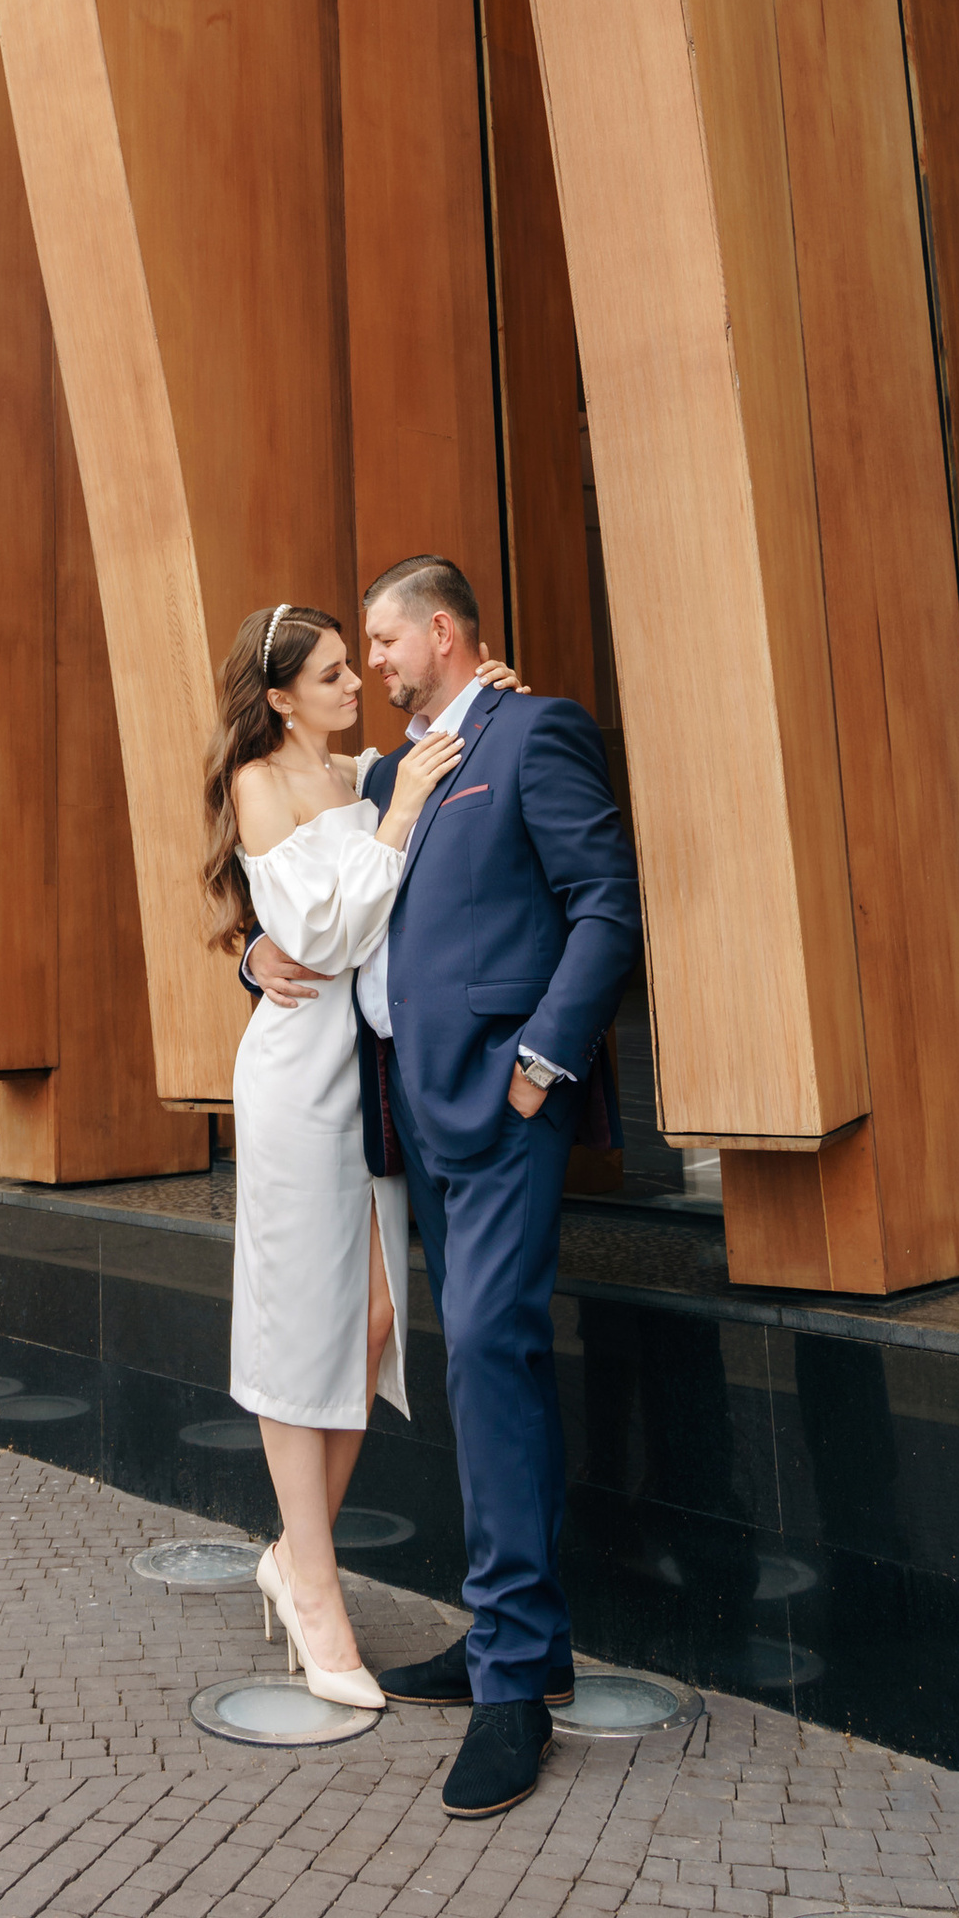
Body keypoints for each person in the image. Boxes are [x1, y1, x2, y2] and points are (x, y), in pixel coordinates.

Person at [246, 554, 641, 1818]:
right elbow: (294, 877)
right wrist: (250, 956)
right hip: (413, 1117)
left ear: (445, 631)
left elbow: (605, 905)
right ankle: (515, 1643)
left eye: (381, 639)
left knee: (484, 1354)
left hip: (502, 1101)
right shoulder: (389, 766)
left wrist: (543, 1060)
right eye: (352, 650)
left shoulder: (533, 732)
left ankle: (515, 1676)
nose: (369, 662)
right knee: (480, 1363)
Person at [203, 600, 462, 1709]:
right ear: (277, 700)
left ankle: (290, 1554)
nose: (354, 684)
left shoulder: (361, 770)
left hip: (365, 1074)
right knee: (292, 1328)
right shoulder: (266, 782)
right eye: (329, 676)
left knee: (373, 1320)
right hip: (295, 1082)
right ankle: (316, 1589)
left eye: (356, 666)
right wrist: (395, 810)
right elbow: (319, 936)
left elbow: (364, 926)